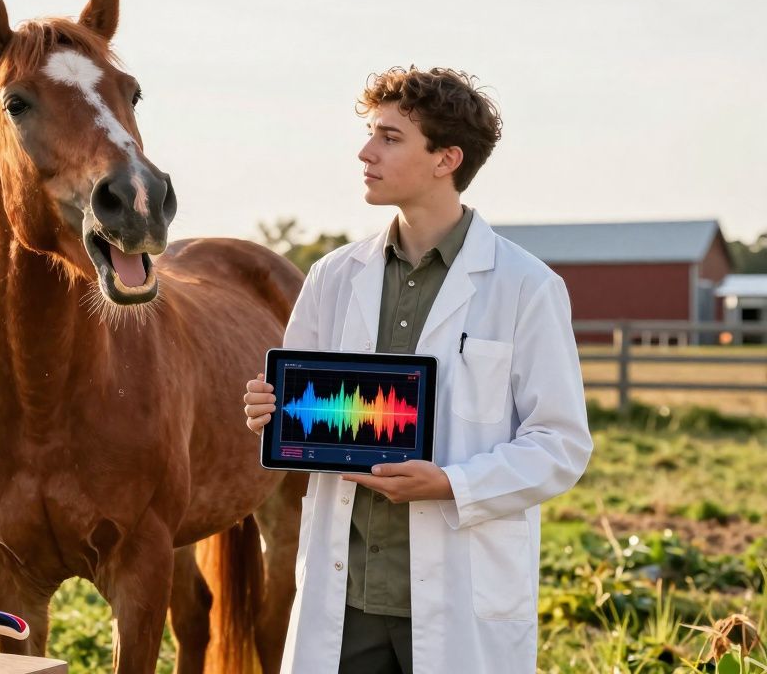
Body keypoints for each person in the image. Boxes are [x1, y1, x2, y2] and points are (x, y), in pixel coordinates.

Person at [242, 66, 593, 674]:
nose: (365, 151)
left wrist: (451, 484)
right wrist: (272, 416)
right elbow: (302, 419)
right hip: (345, 598)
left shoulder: (526, 286)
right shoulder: (334, 276)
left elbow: (560, 445)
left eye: (389, 137)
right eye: (370, 134)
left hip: (462, 594)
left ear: (446, 158)